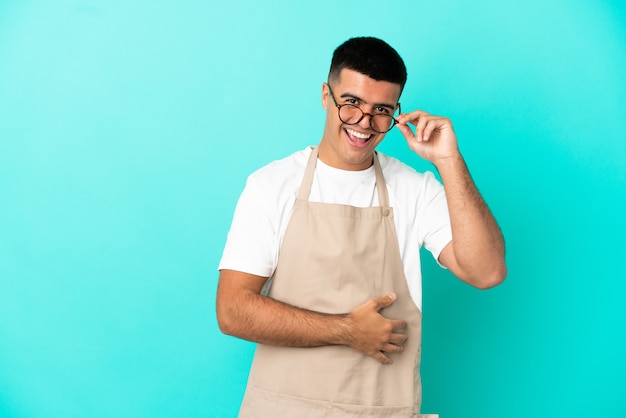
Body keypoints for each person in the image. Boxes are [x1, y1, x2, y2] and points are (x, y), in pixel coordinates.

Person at [216, 36, 506, 418]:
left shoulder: (414, 189)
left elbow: (486, 272)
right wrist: (347, 330)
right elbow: (233, 310)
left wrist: (449, 162)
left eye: (381, 110)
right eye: (351, 103)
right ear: (326, 95)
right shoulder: (271, 185)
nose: (364, 124)